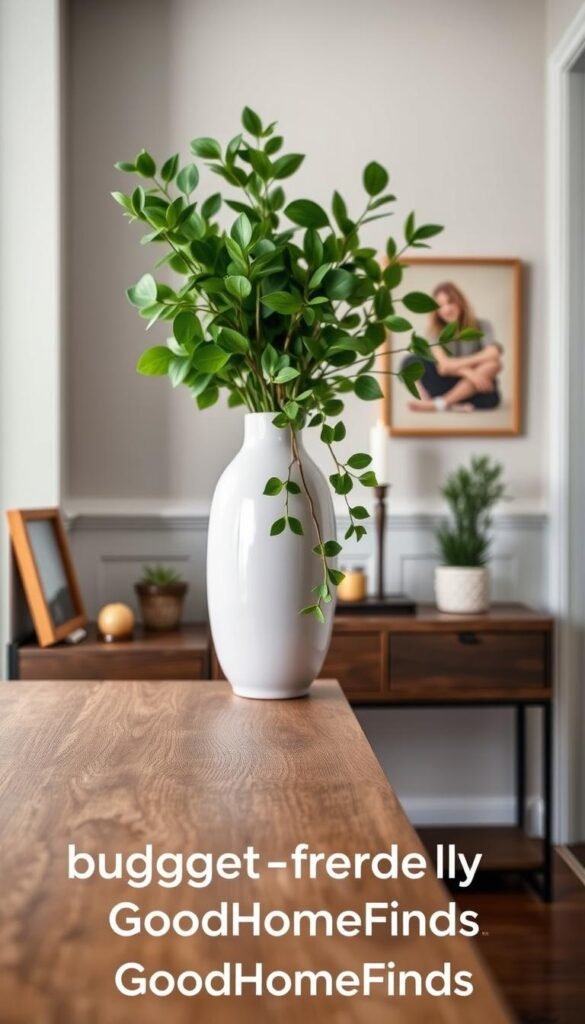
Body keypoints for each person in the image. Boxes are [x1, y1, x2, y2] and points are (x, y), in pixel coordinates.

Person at [402, 282, 502, 413]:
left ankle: (441, 404)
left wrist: (456, 366)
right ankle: (443, 403)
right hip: (447, 382)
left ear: (460, 302)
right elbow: (444, 367)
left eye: (450, 302)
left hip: (470, 385)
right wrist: (470, 372)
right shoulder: (434, 332)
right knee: (411, 360)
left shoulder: (482, 325)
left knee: (493, 365)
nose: (446, 310)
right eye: (440, 306)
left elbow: (493, 354)